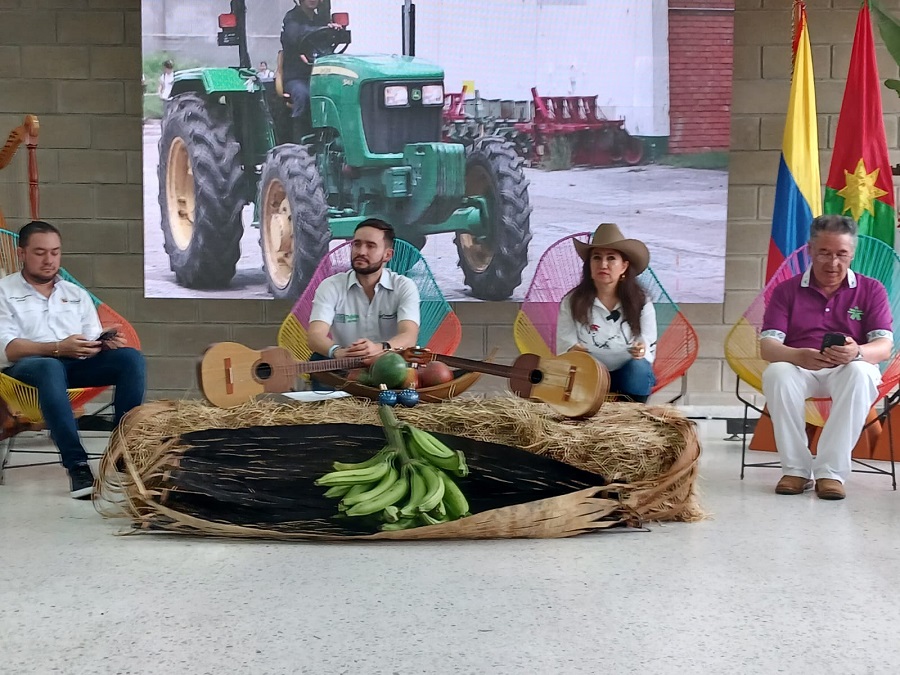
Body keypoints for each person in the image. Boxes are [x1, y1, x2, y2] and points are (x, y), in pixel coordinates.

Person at [0, 221, 146, 499]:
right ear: (22, 254)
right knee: (49, 366)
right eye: (40, 252)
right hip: (24, 372)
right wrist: (57, 348)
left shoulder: (74, 294)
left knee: (130, 359)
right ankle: (77, 464)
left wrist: (103, 344)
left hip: (72, 365)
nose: (49, 260)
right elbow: (7, 349)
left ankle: (123, 451)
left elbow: (88, 339)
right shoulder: (4, 292)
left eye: (55, 252)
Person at [760, 215, 892, 501]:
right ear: (810, 249)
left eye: (841, 254)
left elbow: (884, 347)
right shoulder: (786, 290)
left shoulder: (872, 289)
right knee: (776, 373)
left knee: (861, 373)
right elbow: (768, 346)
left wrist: (856, 351)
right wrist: (797, 356)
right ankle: (795, 469)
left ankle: (830, 473)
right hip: (801, 367)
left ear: (852, 253)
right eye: (824, 253)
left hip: (847, 369)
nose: (833, 263)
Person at [556, 223, 657, 403]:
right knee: (576, 371)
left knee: (639, 369)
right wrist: (573, 349)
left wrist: (641, 350)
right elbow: (564, 343)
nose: (603, 264)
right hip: (590, 373)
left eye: (611, 258)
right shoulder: (572, 301)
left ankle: (633, 419)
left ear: (624, 266)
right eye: (596, 258)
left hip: (628, 373)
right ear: (589, 266)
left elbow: (648, 343)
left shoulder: (642, 302)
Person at [308, 218, 420, 370]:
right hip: (344, 367)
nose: (361, 251)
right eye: (357, 244)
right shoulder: (330, 286)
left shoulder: (404, 286)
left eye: (370, 246)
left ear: (387, 255)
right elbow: (315, 336)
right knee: (317, 359)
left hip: (391, 368)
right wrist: (338, 352)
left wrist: (380, 349)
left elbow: (409, 336)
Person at [280, 0, 344, 129]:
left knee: (340, 93)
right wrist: (322, 29)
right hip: (297, 76)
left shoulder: (321, 19)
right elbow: (294, 35)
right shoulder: (292, 18)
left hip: (320, 74)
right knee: (303, 95)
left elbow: (328, 41)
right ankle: (299, 140)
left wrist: (335, 30)